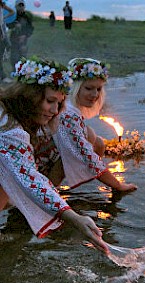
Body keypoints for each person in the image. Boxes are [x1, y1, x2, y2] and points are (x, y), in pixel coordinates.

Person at [0, 56, 109, 253]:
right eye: (50, 101)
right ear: (29, 96)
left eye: (59, 103)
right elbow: (29, 178)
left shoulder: (8, 112)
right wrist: (73, 217)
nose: (54, 110)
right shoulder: (12, 131)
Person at [39, 58, 137, 192]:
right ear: (75, 87)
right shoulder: (68, 113)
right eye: (88, 88)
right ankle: (46, 190)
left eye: (98, 89)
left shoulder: (68, 107)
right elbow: (86, 155)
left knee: (95, 140)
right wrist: (118, 185)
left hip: (45, 156)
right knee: (84, 141)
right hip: (35, 164)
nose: (95, 94)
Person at [8, 0, 34, 67]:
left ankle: (22, 71)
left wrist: (25, 35)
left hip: (23, 40)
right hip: (13, 39)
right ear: (16, 7)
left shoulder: (26, 17)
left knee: (23, 56)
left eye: (22, 5)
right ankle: (14, 71)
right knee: (14, 56)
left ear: (24, 6)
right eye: (19, 5)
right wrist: (14, 25)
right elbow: (8, 26)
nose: (21, 7)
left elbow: (30, 28)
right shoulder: (12, 16)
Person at [0, 0, 14, 80]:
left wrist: (4, 17)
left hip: (2, 31)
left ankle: (3, 76)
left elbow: (12, 12)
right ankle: (3, 76)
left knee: (7, 46)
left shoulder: (2, 5)